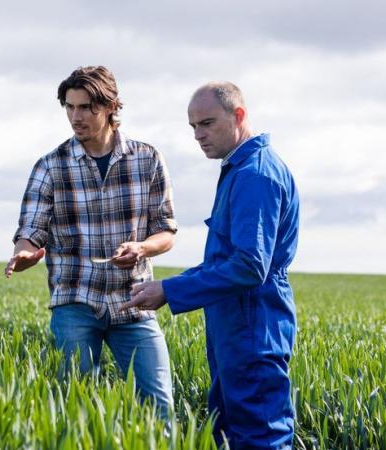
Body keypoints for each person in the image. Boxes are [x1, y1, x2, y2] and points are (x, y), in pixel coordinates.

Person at [120, 82, 300, 449]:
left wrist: (170, 291)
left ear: (238, 116)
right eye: (193, 127)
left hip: (253, 324)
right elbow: (224, 261)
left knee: (259, 436)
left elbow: (250, 266)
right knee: (230, 429)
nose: (199, 136)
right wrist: (166, 287)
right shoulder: (238, 168)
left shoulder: (256, 175)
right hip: (233, 324)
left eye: (207, 123)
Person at [5, 66, 177, 418]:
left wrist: (141, 248)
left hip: (134, 302)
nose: (75, 117)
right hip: (75, 302)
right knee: (75, 410)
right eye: (69, 107)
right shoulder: (51, 166)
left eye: (86, 108)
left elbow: (166, 232)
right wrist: (23, 253)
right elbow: (31, 229)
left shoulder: (147, 159)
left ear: (111, 107)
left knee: (160, 406)